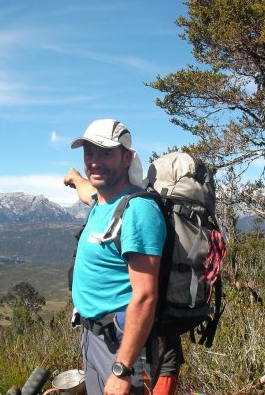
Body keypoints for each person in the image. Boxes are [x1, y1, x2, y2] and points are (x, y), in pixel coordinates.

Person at [64, 118, 166, 395]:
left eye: (105, 153)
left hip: (120, 347)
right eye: (89, 153)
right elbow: (88, 191)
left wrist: (122, 369)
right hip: (93, 337)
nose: (94, 161)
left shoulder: (137, 211)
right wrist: (74, 177)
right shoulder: (102, 199)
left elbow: (145, 296)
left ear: (126, 158)